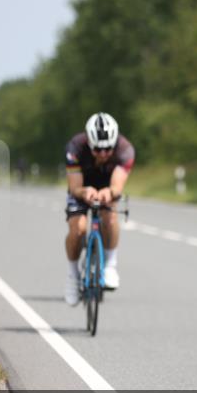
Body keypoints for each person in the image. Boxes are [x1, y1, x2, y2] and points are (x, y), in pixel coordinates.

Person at [63, 113, 134, 305]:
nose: (103, 154)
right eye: (97, 149)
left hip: (106, 185)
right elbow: (74, 186)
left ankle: (110, 265)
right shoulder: (75, 147)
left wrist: (109, 193)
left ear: (115, 144)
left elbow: (117, 186)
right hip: (82, 186)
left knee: (110, 216)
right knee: (78, 229)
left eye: (107, 149)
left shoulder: (125, 150)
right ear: (88, 142)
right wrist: (83, 191)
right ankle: (73, 276)